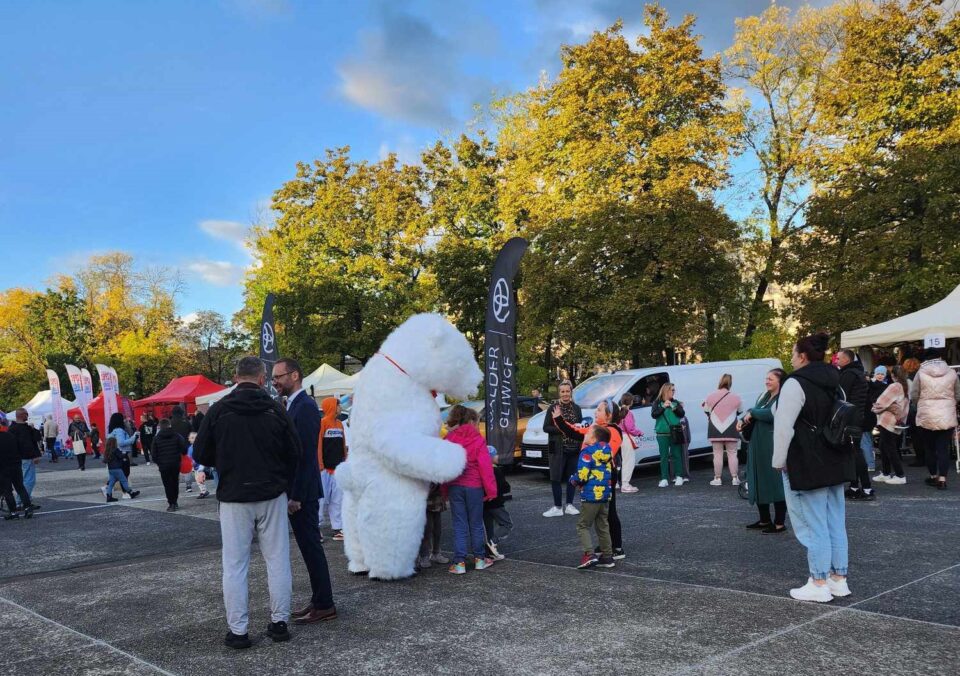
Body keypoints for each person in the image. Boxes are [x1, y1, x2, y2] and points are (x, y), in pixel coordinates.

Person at [193, 356, 302, 649]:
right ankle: (279, 624)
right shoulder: (274, 409)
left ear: (235, 377)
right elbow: (294, 451)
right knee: (277, 559)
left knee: (235, 565)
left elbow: (201, 453)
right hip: (271, 493)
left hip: (234, 495)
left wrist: (227, 462)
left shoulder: (219, 411)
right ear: (262, 378)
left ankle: (238, 630)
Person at [774, 333, 854, 603]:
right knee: (835, 520)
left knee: (813, 522)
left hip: (808, 458)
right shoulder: (836, 380)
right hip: (837, 454)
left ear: (803, 356)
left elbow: (783, 426)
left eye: (794, 353)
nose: (792, 357)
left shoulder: (795, 383)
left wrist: (778, 460)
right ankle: (838, 578)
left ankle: (818, 581)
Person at [271, 358, 336, 625]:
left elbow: (305, 455)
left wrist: (295, 494)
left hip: (303, 493)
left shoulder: (305, 407)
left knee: (311, 548)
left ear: (294, 375)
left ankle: (324, 604)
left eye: (278, 376)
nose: (274, 382)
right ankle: (318, 600)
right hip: (301, 490)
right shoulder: (296, 404)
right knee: (309, 548)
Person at [550, 399, 626, 560]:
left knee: (609, 511)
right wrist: (558, 419)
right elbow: (574, 431)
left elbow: (606, 454)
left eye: (599, 410)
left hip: (605, 477)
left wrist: (586, 461)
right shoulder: (595, 428)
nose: (595, 412)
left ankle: (617, 547)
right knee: (600, 515)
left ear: (609, 415)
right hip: (591, 476)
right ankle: (607, 546)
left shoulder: (613, 431)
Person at [444, 404, 498, 574]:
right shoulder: (478, 439)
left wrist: (444, 490)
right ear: (472, 421)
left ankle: (459, 563)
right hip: (474, 487)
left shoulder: (449, 438)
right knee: (476, 524)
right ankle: (480, 560)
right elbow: (485, 467)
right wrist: (491, 490)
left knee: (459, 525)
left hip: (455, 486)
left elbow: (443, 466)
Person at [740, 369, 788, 533]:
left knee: (775, 482)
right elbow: (753, 411)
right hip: (757, 443)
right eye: (766, 378)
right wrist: (745, 417)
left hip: (773, 444)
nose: (767, 381)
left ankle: (779, 522)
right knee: (758, 479)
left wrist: (752, 412)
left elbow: (771, 415)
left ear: (780, 381)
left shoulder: (783, 397)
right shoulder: (763, 396)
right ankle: (764, 520)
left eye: (771, 379)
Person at [911, 347, 960, 490]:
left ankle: (933, 476)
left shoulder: (920, 373)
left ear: (925, 358)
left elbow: (914, 394)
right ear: (940, 357)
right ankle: (943, 479)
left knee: (929, 448)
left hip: (926, 414)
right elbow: (958, 394)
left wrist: (919, 404)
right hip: (946, 414)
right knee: (943, 448)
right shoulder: (951, 373)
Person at [570, 425, 615, 569]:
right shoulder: (608, 452)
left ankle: (589, 554)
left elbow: (582, 475)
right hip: (604, 494)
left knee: (582, 525)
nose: (586, 433)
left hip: (590, 495)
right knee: (602, 525)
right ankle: (608, 556)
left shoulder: (587, 452)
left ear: (594, 438)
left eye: (589, 432)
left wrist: (573, 480)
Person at [835, 349, 874, 501]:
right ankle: (855, 486)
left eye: (838, 358)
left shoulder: (848, 374)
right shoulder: (857, 373)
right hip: (857, 417)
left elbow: (841, 397)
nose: (836, 361)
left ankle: (866, 488)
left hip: (851, 418)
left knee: (855, 453)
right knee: (853, 452)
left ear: (847, 360)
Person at [542, 380, 583, 517]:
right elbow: (546, 427)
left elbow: (580, 427)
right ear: (559, 393)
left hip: (574, 448)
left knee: (572, 477)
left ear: (571, 392)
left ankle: (570, 505)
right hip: (558, 448)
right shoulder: (553, 408)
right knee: (555, 477)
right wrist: (562, 429)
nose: (565, 394)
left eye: (567, 391)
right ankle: (557, 507)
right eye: (562, 391)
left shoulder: (577, 408)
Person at [702, 374, 744, 486]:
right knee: (732, 453)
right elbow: (740, 411)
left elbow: (706, 411)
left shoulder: (710, 396)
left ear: (720, 382)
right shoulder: (736, 397)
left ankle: (717, 478)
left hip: (715, 427)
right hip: (731, 427)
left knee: (717, 454)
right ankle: (735, 478)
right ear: (730, 383)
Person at [872, 366, 910, 485]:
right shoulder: (906, 385)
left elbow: (880, 402)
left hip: (887, 419)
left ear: (893, 375)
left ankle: (899, 475)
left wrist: (875, 408)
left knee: (889, 447)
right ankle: (886, 473)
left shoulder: (894, 386)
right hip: (896, 420)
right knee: (884, 446)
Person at [318, 397, 347, 540]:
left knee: (338, 499)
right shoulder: (322, 423)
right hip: (324, 469)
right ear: (331, 407)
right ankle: (316, 528)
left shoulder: (340, 424)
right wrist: (320, 464)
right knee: (321, 499)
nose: (340, 408)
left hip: (338, 468)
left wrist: (345, 461)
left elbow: (343, 445)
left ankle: (337, 528)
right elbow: (318, 445)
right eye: (338, 405)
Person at [151, 418, 188, 512]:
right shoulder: (177, 436)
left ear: (160, 426)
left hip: (163, 465)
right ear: (169, 425)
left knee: (167, 484)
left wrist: (159, 462)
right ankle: (175, 501)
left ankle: (171, 503)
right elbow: (184, 449)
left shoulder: (156, 438)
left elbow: (153, 454)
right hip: (175, 463)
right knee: (175, 482)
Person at [483, 447, 514, 560]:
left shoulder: (481, 469)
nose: (498, 456)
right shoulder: (496, 470)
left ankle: (489, 553)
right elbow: (504, 487)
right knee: (507, 524)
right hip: (496, 503)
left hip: (484, 503)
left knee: (488, 528)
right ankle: (492, 543)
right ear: (490, 457)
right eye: (495, 454)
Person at [652, 383, 685, 488]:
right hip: (662, 434)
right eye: (672, 390)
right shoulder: (657, 403)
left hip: (675, 432)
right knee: (664, 457)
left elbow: (682, 414)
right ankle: (664, 478)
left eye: (674, 390)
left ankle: (679, 476)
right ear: (666, 391)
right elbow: (654, 414)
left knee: (677, 455)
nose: (674, 392)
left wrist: (673, 407)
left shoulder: (675, 402)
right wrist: (663, 406)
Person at [0, 426, 36, 519]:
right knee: (20, 487)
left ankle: (13, 512)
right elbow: (20, 448)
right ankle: (28, 508)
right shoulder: (11, 436)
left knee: (7, 491)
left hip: (3, 467)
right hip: (15, 464)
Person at [8, 409, 41, 506]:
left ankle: (24, 500)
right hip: (26, 457)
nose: (28, 416)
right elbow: (30, 443)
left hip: (17, 458)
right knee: (29, 480)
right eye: (26, 414)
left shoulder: (12, 428)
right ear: (22, 415)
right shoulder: (24, 428)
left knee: (22, 480)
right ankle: (22, 501)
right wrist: (35, 455)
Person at [417, 483, 449, 569]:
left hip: (437, 497)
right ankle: (424, 556)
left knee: (437, 529)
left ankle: (436, 553)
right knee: (427, 529)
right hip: (423, 497)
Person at [102, 437, 140, 502]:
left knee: (111, 483)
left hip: (111, 469)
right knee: (124, 481)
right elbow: (121, 456)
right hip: (117, 469)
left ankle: (109, 496)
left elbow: (105, 461)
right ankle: (131, 493)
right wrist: (125, 453)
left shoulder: (107, 451)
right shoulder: (116, 450)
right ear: (114, 443)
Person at [617, 394, 642, 493]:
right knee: (629, 461)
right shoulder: (629, 413)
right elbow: (630, 428)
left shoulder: (618, 412)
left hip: (620, 437)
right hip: (627, 438)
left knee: (623, 461)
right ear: (631, 402)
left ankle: (622, 483)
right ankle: (625, 484)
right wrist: (639, 432)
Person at [106, 412, 138, 480]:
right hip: (121, 454)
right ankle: (126, 489)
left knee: (116, 475)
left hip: (114, 454)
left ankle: (108, 488)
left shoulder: (112, 431)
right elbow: (121, 443)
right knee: (125, 473)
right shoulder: (119, 430)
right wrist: (133, 437)